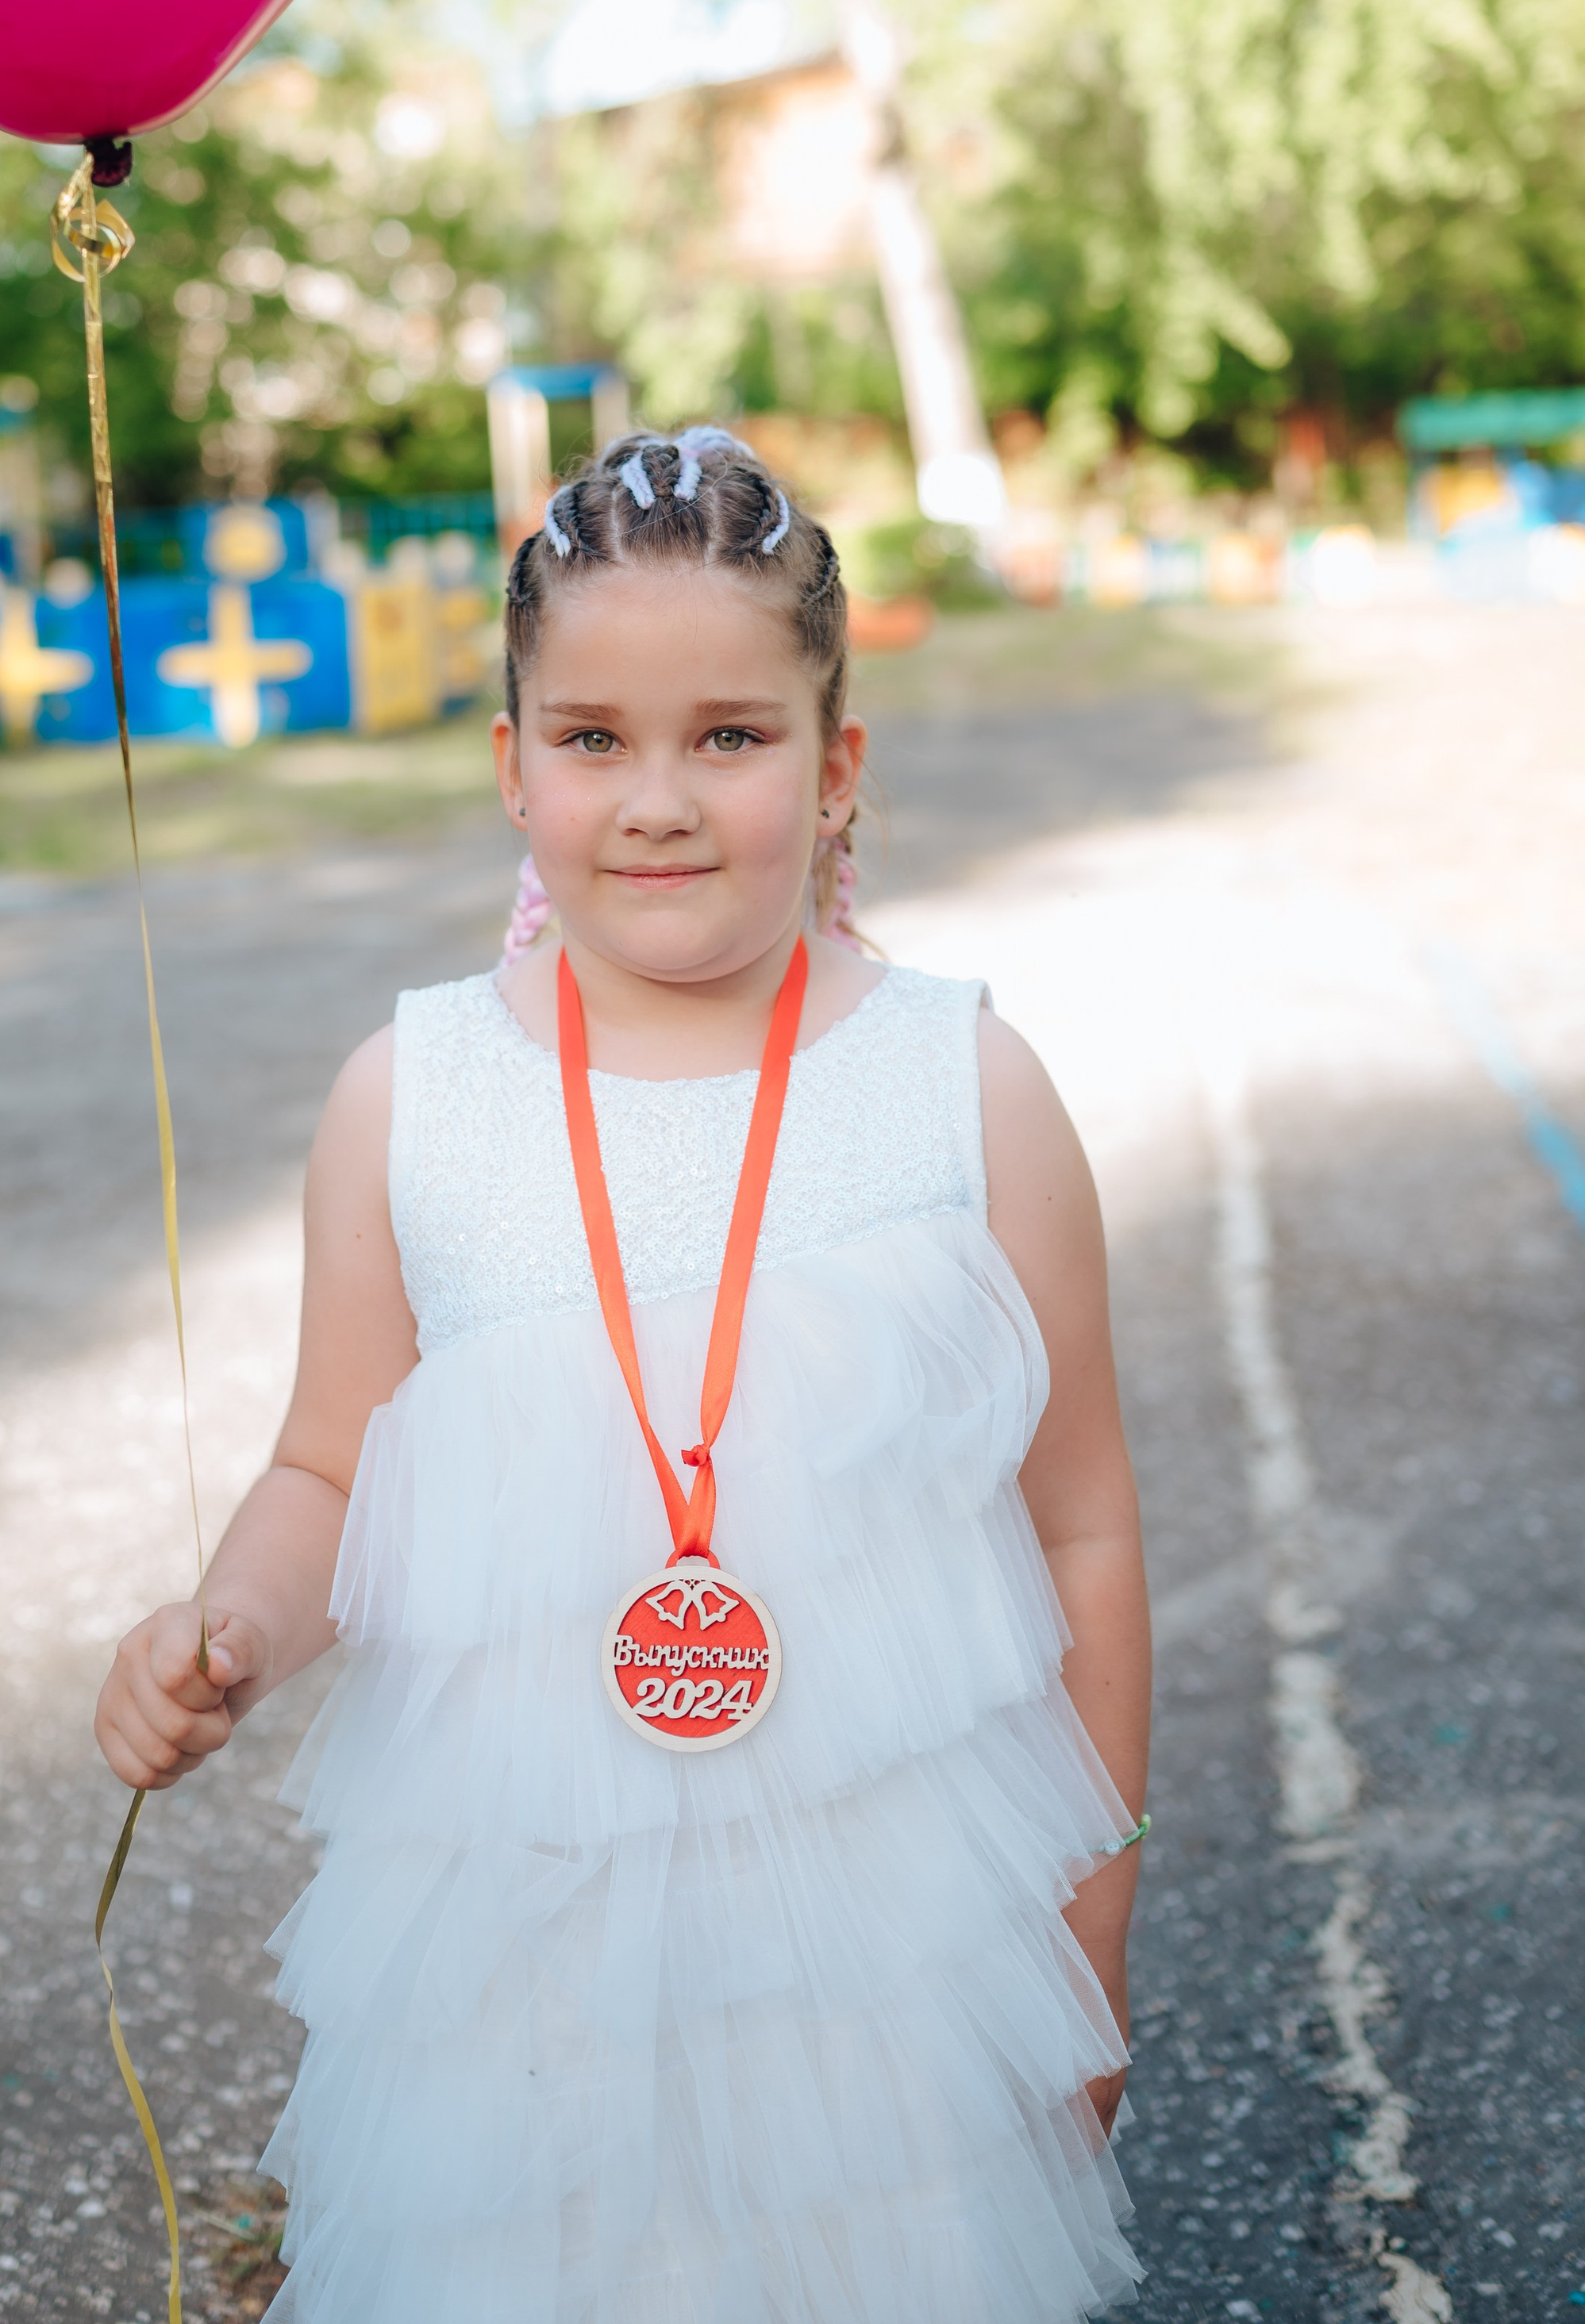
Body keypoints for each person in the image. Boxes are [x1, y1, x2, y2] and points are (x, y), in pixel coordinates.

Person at [94, 427, 1151, 2321]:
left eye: (728, 737)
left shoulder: (959, 1090)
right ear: (509, 769)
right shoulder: (408, 1098)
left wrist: (1087, 1943)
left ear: (835, 769)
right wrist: (229, 1626)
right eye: (590, 738)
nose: (655, 798)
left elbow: (1079, 1534)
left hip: (883, 1967)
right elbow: (329, 1469)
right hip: (526, 1953)